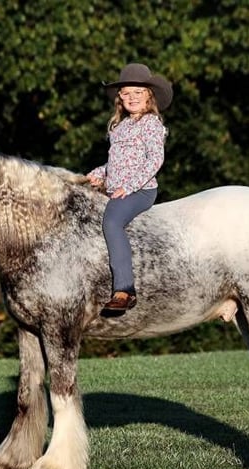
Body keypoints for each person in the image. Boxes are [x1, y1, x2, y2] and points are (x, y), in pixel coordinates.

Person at [87, 62, 173, 313]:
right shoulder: (118, 127)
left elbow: (155, 159)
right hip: (118, 188)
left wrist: (130, 186)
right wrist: (98, 173)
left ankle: (124, 289)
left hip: (142, 190)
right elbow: (116, 163)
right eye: (126, 93)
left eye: (138, 92)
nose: (131, 98)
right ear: (119, 98)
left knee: (112, 221)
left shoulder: (151, 124)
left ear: (149, 96)